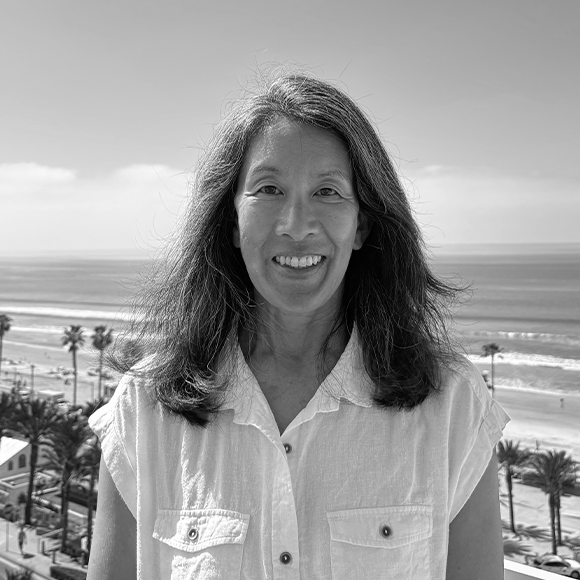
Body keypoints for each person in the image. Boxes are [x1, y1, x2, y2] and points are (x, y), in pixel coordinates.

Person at [87, 72, 509, 579]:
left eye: (328, 191)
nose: (296, 224)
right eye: (269, 189)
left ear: (362, 225)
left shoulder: (452, 406)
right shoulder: (144, 410)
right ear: (231, 221)